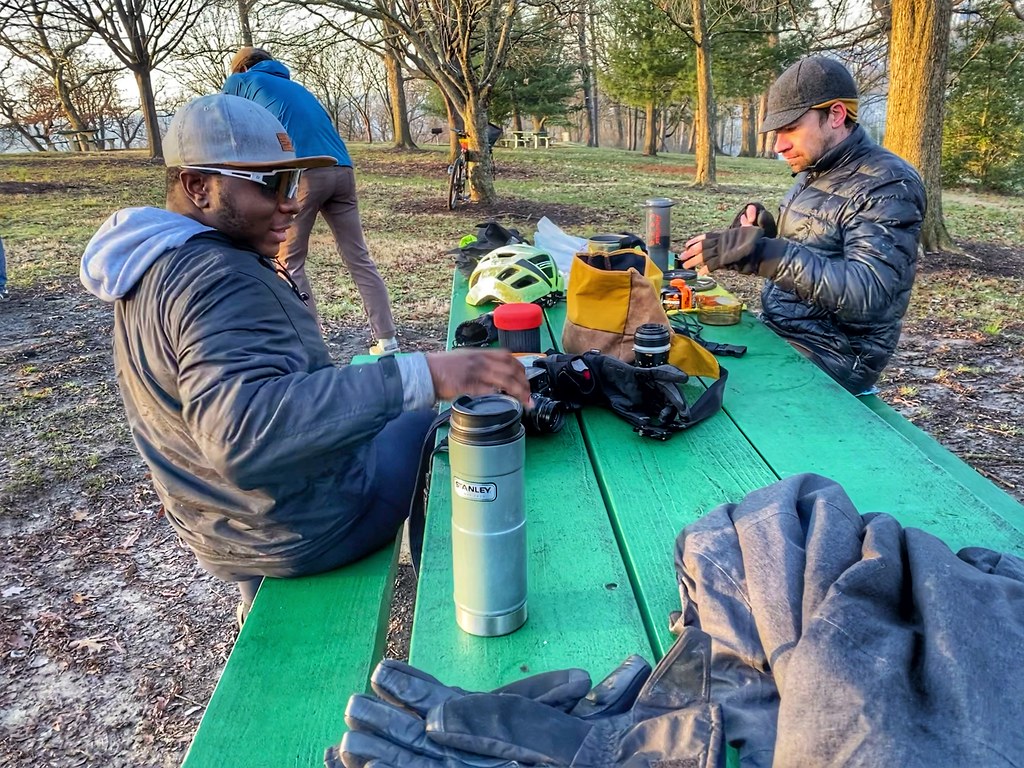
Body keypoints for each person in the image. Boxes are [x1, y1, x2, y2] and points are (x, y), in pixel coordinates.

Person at [79, 94, 530, 614]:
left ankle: (254, 600)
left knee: (388, 409)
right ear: (198, 186)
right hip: (304, 531)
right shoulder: (222, 280)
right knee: (425, 423)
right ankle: (451, 589)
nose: (291, 203)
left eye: (292, 181)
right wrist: (427, 374)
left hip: (219, 525)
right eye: (269, 184)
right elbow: (241, 434)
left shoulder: (153, 264)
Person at [682, 57, 926, 395]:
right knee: (672, 359)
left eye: (791, 128)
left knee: (707, 398)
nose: (779, 146)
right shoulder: (817, 168)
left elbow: (871, 293)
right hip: (782, 331)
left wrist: (764, 254)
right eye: (777, 132)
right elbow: (815, 249)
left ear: (836, 115)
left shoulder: (888, 183)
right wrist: (761, 235)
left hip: (832, 355)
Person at [223, 46, 399, 355]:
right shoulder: (298, 89)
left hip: (306, 172)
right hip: (342, 169)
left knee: (289, 261)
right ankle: (387, 340)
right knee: (359, 258)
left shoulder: (244, 81)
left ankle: (311, 347)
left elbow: (223, 115)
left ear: (242, 68)